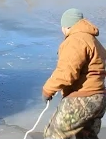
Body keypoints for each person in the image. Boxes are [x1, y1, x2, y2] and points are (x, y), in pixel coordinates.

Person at [42, 8, 106, 139]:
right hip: (98, 98)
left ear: (66, 26)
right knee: (86, 136)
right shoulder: (93, 40)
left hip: (81, 99)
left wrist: (48, 90)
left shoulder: (75, 40)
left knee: (53, 134)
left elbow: (66, 73)